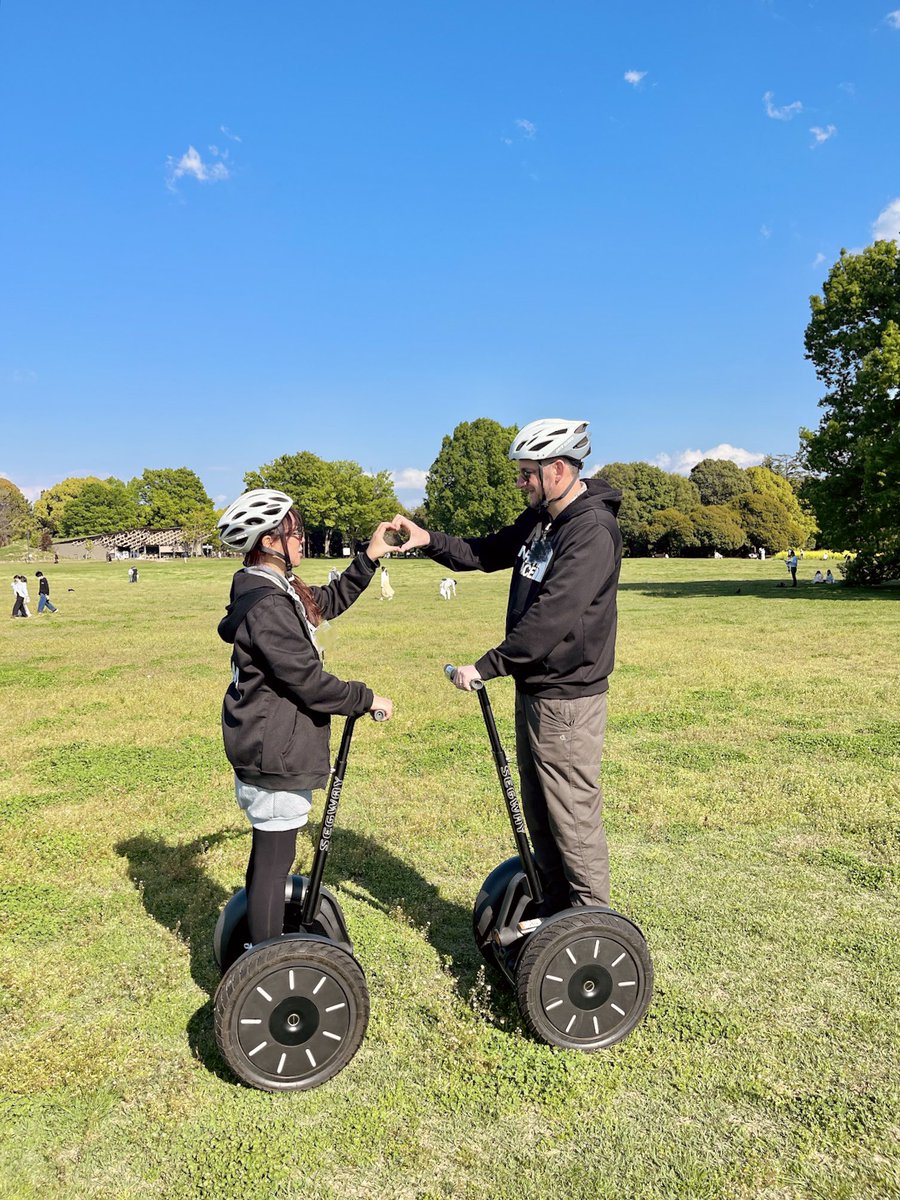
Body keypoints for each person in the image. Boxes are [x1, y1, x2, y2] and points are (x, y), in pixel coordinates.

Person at [392, 418, 619, 914]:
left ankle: (593, 927)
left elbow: (552, 617)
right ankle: (559, 912)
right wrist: (425, 538)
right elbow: (486, 551)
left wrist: (487, 666)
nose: (520, 483)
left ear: (557, 470)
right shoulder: (543, 522)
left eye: (526, 474)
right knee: (542, 815)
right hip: (537, 690)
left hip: (568, 699)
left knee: (573, 820)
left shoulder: (591, 531)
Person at [216, 488, 395, 949]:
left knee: (271, 856)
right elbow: (308, 682)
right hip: (274, 746)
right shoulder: (269, 605)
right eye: (296, 531)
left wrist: (369, 558)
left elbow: (326, 601)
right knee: (275, 861)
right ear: (270, 540)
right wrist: (365, 697)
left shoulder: (277, 590)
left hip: (271, 740)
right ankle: (267, 961)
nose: (304, 539)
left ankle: (263, 947)